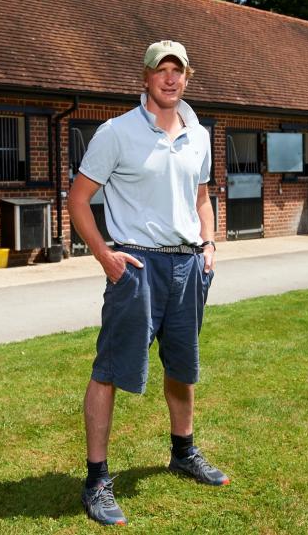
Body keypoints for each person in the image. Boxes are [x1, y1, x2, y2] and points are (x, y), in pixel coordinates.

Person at [68, 40, 228, 527]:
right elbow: (78, 200)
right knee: (112, 370)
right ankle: (96, 478)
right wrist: (104, 255)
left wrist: (210, 245)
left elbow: (202, 197)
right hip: (136, 267)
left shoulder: (198, 134)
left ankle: (183, 451)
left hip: (187, 267)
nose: (171, 79)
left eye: (178, 71)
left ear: (188, 78)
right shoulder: (115, 133)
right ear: (145, 77)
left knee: (183, 367)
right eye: (162, 70)